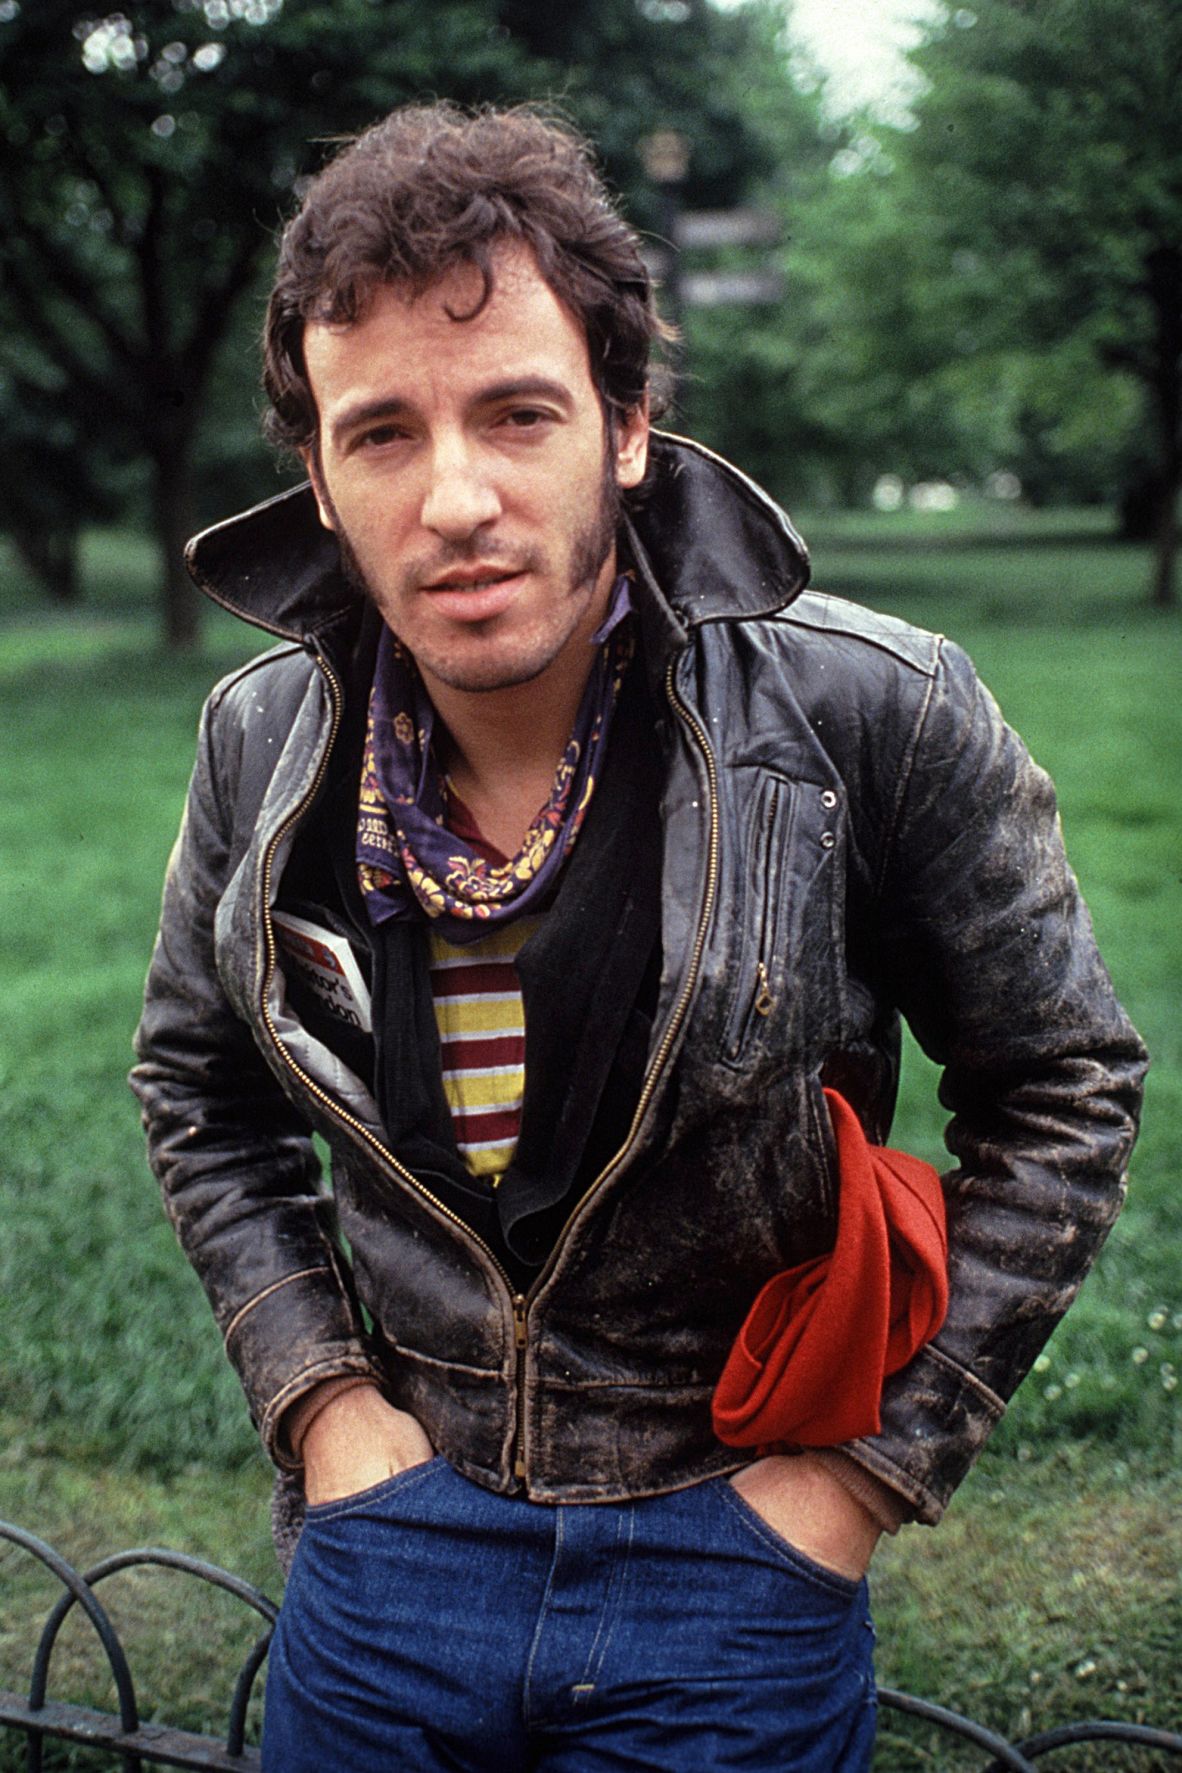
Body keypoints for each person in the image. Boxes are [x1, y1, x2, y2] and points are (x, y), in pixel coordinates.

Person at [131, 102, 1146, 1772]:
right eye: (381, 433)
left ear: (623, 429)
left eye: (518, 412)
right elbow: (198, 1085)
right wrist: (322, 1407)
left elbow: (1065, 1084)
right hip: (392, 1542)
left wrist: (856, 1481)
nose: (456, 497)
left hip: (729, 1554)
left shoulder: (860, 713)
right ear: (316, 473)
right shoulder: (264, 742)